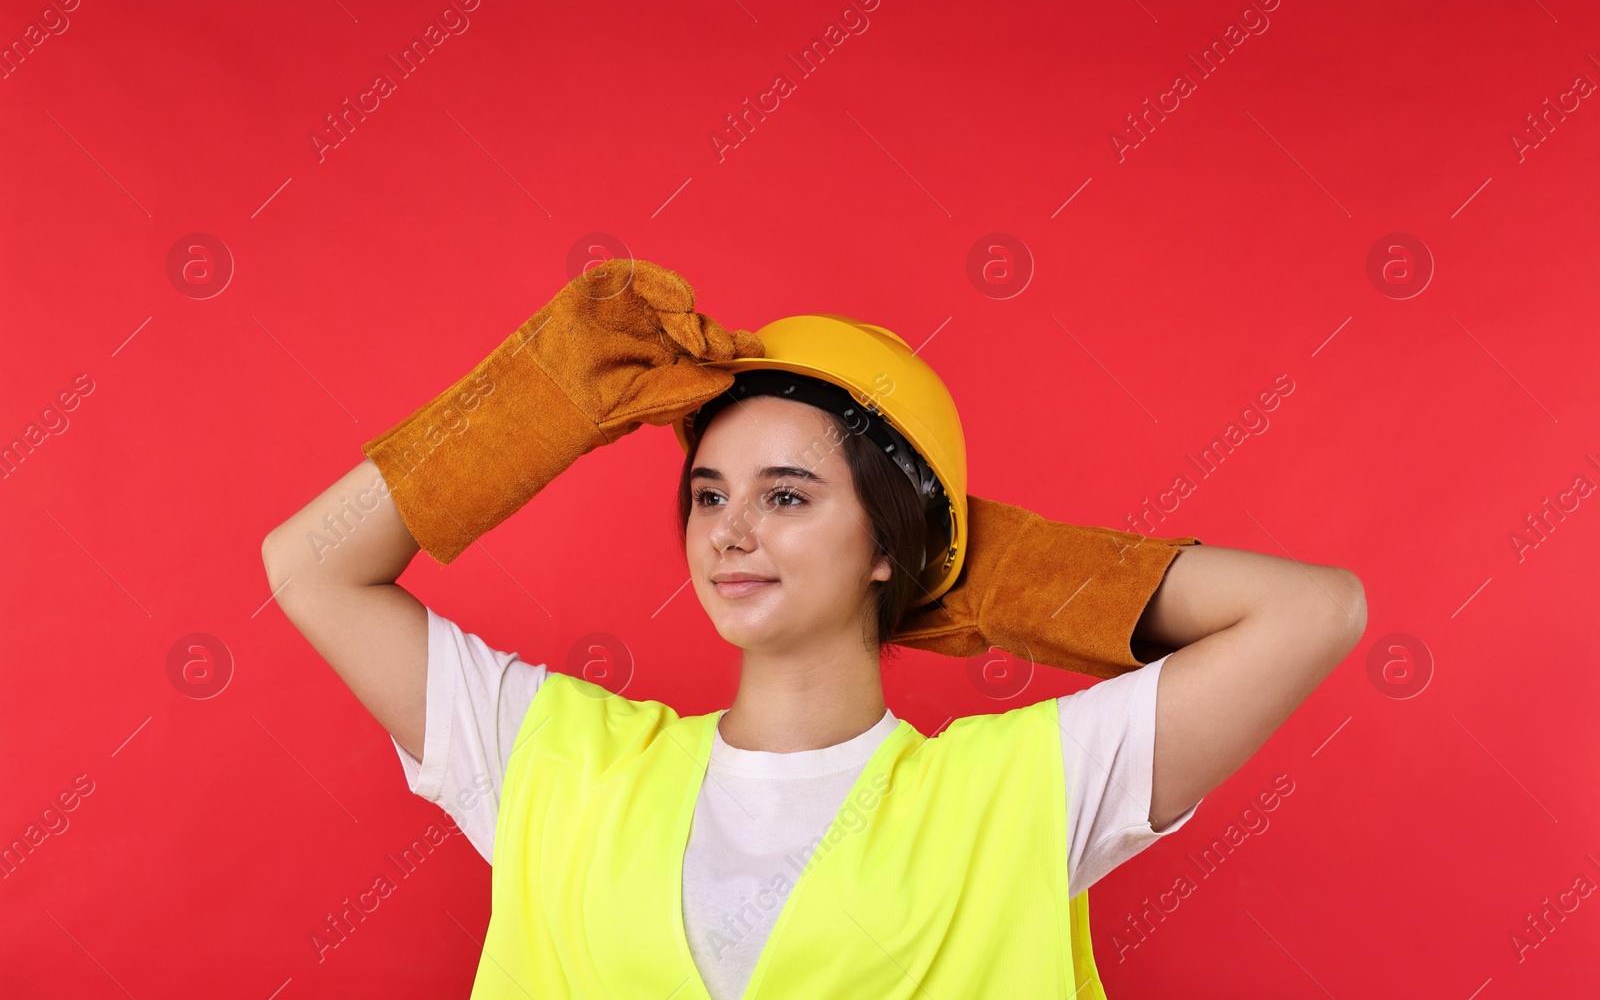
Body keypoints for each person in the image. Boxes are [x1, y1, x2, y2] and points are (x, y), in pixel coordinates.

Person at [261, 259, 1367, 998]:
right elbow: (311, 566)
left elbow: (1311, 610)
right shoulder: (552, 758)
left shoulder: (1020, 790)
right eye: (707, 493)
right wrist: (530, 406)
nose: (731, 529)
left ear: (885, 540)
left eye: (785, 495)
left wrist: (992, 572)